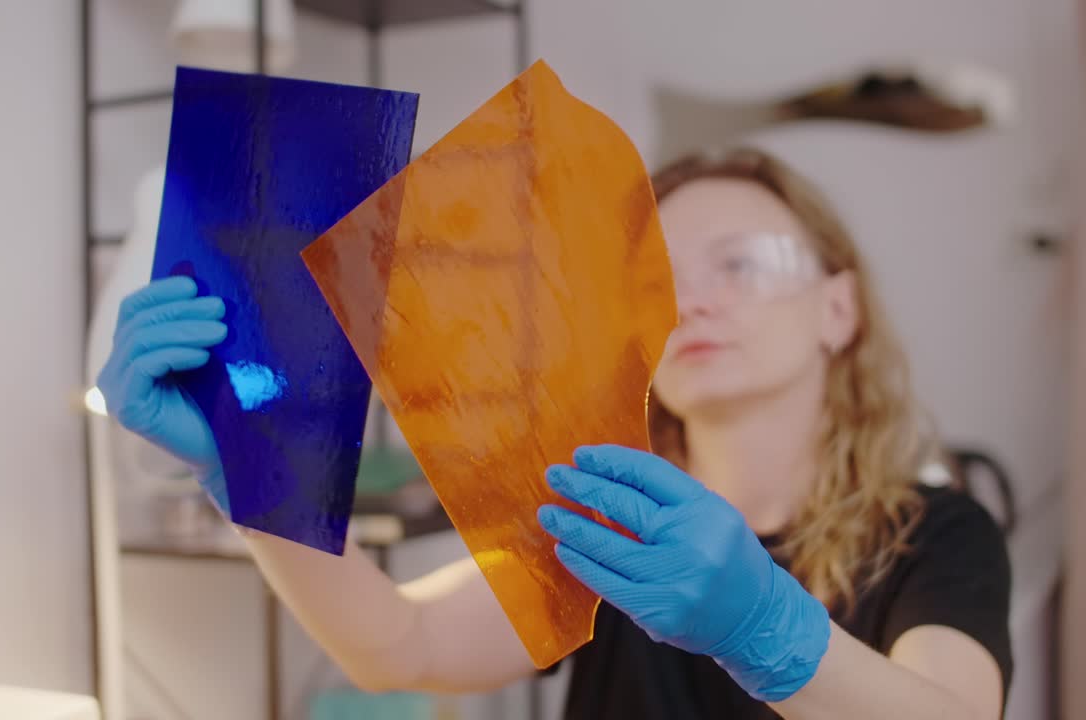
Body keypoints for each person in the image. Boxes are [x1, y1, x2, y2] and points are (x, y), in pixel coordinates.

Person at [97, 146, 1012, 719]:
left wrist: (764, 628)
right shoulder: (605, 512)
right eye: (658, 274)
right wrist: (253, 475)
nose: (694, 298)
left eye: (744, 264)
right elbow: (397, 649)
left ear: (839, 308)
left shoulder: (937, 535)